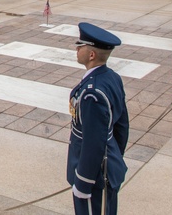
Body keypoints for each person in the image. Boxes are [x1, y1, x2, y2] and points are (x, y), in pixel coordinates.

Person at [68, 22, 129, 215]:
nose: (77, 49)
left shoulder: (91, 94)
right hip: (107, 165)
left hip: (93, 175)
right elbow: (122, 126)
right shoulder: (112, 77)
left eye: (81, 46)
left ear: (91, 54)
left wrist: (84, 182)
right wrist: (115, 157)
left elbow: (93, 142)